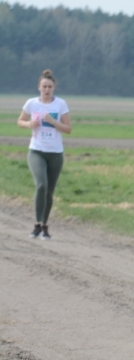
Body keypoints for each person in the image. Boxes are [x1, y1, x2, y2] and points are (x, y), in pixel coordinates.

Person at [17, 70, 72, 240]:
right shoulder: (31, 103)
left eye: (50, 87)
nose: (47, 89)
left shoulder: (60, 104)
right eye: (44, 87)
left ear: (54, 88)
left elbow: (68, 129)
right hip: (37, 151)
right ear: (39, 87)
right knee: (41, 185)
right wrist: (29, 124)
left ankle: (44, 226)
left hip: (55, 153)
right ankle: (36, 224)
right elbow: (20, 121)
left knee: (50, 190)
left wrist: (54, 122)